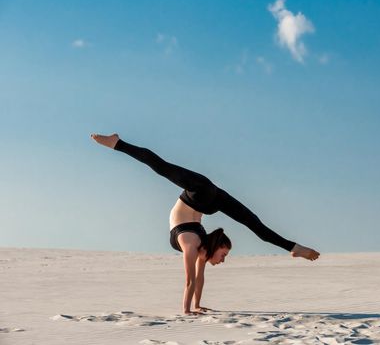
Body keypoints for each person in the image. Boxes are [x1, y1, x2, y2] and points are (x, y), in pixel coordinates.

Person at [91, 133, 320, 315]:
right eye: (224, 255)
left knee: (254, 223)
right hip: (204, 195)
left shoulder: (193, 246)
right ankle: (117, 143)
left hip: (203, 196)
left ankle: (294, 248)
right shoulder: (197, 244)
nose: (222, 260)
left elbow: (192, 280)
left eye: (223, 256)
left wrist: (190, 309)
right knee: (163, 168)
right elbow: (195, 280)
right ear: (214, 247)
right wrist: (191, 308)